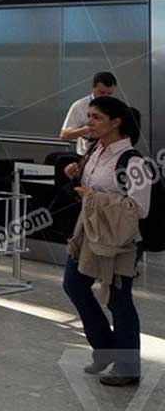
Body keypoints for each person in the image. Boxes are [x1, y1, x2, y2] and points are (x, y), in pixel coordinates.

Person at [62, 96, 149, 387]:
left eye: (96, 117)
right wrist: (76, 173)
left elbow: (139, 208)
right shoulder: (94, 152)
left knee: (118, 298)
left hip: (120, 240)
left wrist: (93, 197)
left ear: (116, 122)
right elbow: (91, 185)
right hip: (90, 232)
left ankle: (127, 366)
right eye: (89, 116)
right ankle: (105, 348)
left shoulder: (133, 161)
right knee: (74, 283)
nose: (89, 123)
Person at [61, 71, 117, 155]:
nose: (105, 97)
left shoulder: (116, 106)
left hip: (109, 155)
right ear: (93, 88)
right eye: (101, 93)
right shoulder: (79, 106)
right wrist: (87, 129)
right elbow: (64, 135)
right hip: (85, 154)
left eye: (109, 94)